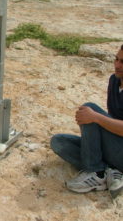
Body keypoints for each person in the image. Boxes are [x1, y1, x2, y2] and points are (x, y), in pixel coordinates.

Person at [50, 44, 123, 198]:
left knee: (90, 109)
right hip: (115, 146)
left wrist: (95, 118)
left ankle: (96, 172)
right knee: (58, 142)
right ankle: (109, 171)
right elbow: (112, 119)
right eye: (116, 59)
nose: (117, 65)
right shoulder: (114, 81)